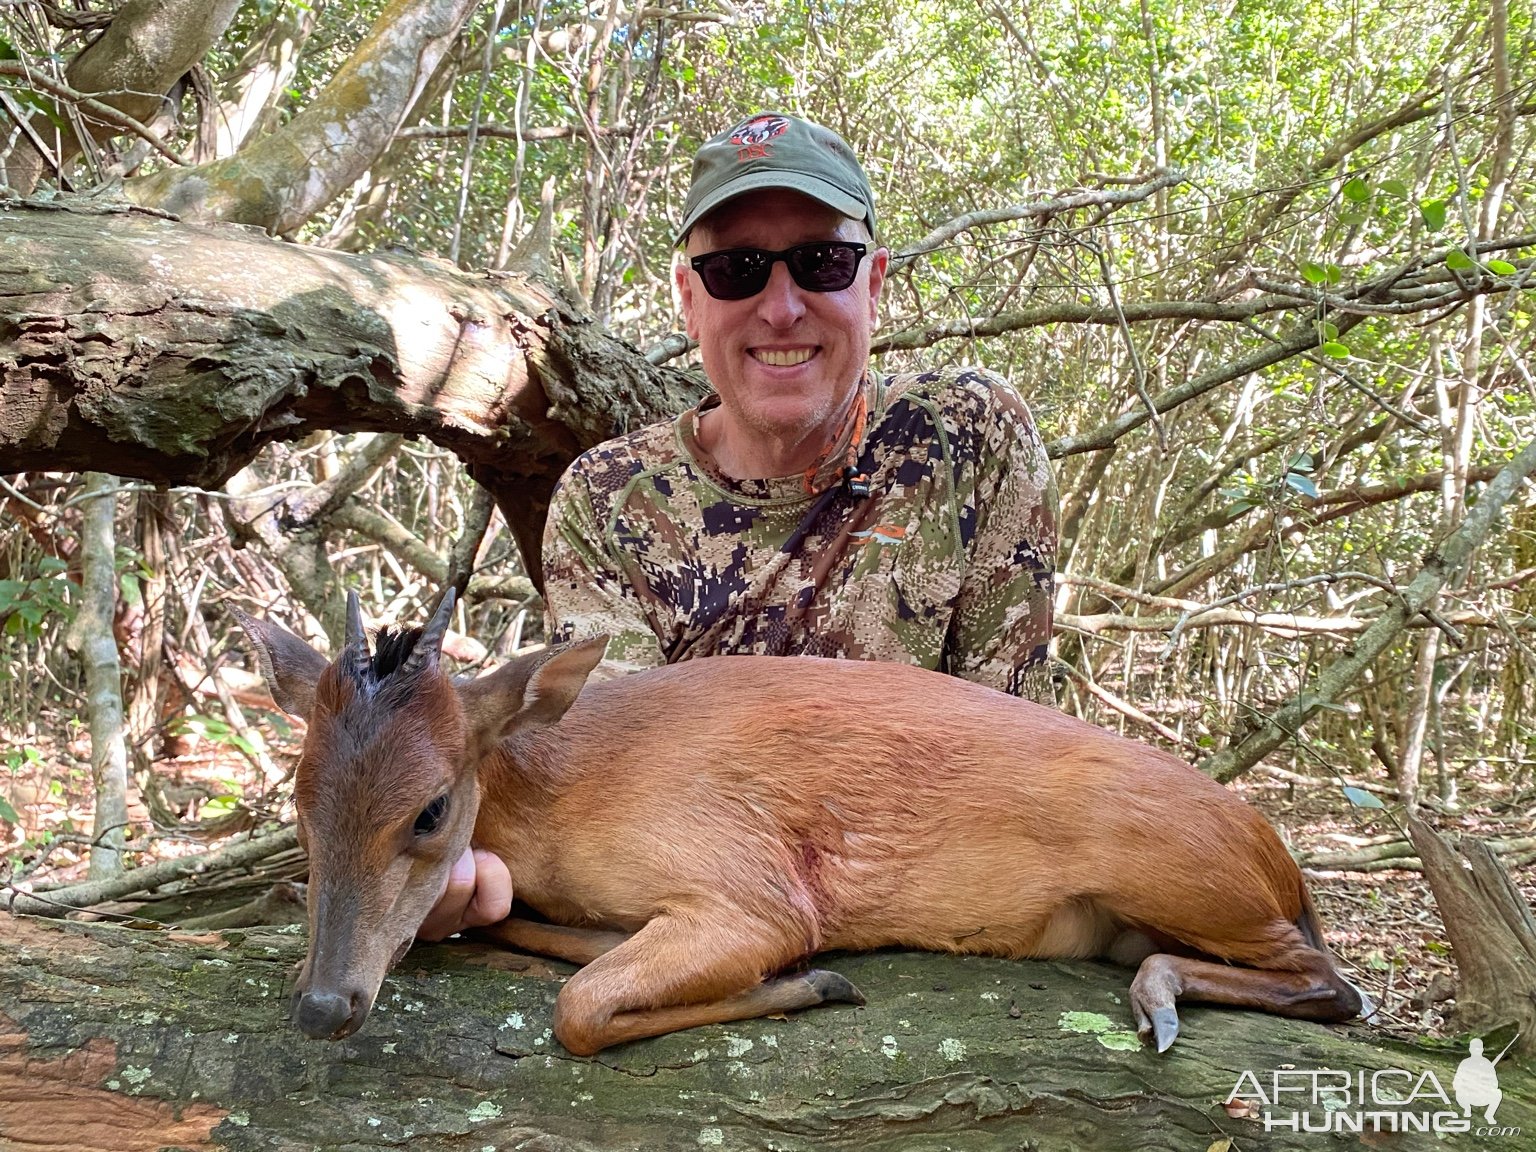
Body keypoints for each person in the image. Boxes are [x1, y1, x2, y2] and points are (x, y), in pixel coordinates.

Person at [418, 111, 1058, 942]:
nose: (782, 307)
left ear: (874, 283)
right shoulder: (609, 501)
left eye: (823, 262)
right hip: (716, 922)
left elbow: (1015, 747)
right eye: (738, 270)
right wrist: (447, 863)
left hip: (944, 898)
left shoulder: (968, 438)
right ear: (690, 300)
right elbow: (609, 789)